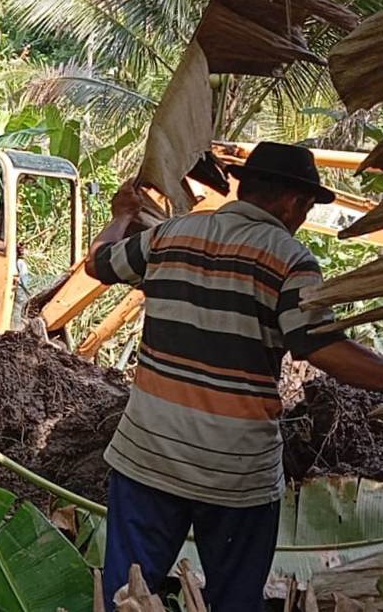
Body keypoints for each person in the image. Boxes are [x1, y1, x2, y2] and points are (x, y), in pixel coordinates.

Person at [86, 142, 383, 610]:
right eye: (306, 207)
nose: (303, 217)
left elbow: (99, 261)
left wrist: (123, 215)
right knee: (235, 601)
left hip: (148, 458)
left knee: (129, 594)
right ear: (292, 202)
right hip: (235, 474)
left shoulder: (168, 235)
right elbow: (318, 346)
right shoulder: (291, 259)